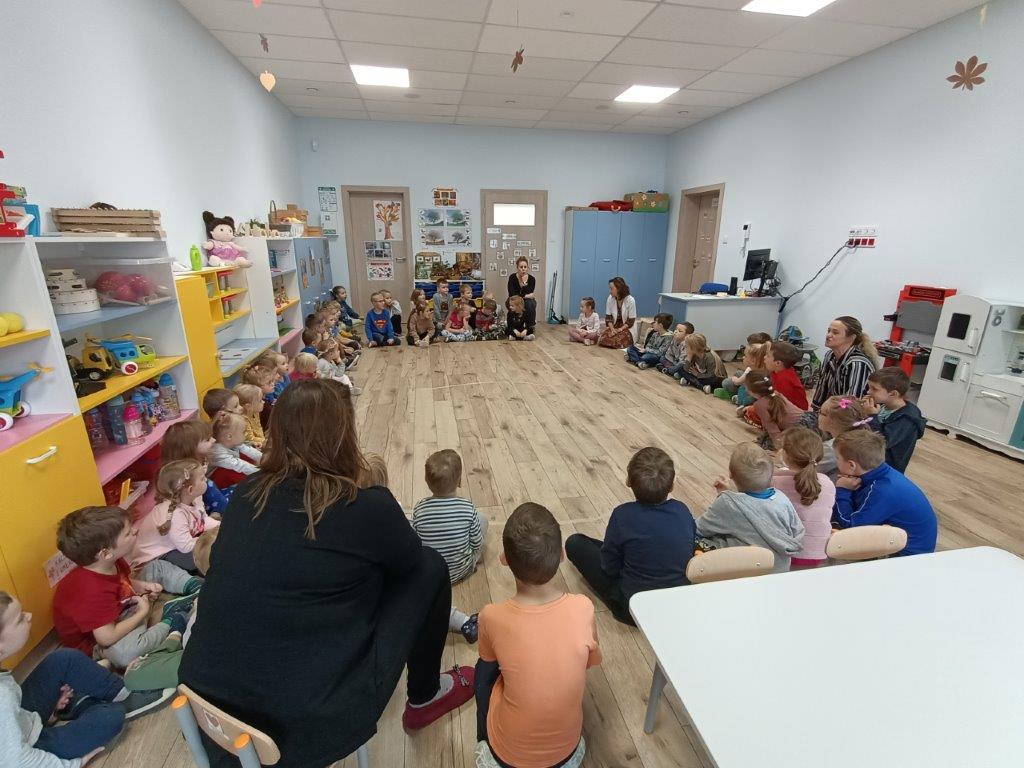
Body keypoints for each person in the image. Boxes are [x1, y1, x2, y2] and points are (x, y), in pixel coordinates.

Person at [179, 380, 475, 768]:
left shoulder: (248, 493)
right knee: (430, 566)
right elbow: (408, 562)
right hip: (304, 733)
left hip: (206, 711)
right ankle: (425, 695)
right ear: (344, 436)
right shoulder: (366, 505)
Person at [475, 503, 601, 768]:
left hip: (506, 758)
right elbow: (589, 663)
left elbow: (488, 666)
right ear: (563, 555)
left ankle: (483, 741)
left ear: (504, 559)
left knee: (484, 669)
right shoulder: (583, 607)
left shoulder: (491, 616)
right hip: (568, 755)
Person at [1, 592, 172, 767]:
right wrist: (72, 764)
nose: (29, 616)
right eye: (19, 619)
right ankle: (82, 704)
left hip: (18, 726)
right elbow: (16, 760)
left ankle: (119, 694)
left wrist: (48, 705)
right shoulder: (3, 696)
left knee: (62, 659)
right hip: (26, 751)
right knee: (110, 717)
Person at [53, 506, 197, 668]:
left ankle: (194, 585)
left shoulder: (109, 562)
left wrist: (143, 586)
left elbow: (121, 582)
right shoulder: (92, 592)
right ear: (105, 553)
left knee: (156, 567)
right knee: (124, 655)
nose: (134, 531)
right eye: (128, 533)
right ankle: (171, 618)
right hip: (100, 640)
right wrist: (142, 611)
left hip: (119, 607)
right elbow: (106, 638)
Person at [565, 447, 696, 626]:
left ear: (628, 481)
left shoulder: (622, 515)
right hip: (675, 605)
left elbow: (609, 567)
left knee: (575, 543)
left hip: (633, 609)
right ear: (672, 485)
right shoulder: (682, 510)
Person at [122, 527, 219, 693]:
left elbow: (191, 643)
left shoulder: (206, 605)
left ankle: (173, 631)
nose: (134, 530)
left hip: (206, 660)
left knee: (133, 675)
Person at [411, 450, 487, 643]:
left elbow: (416, 543)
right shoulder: (467, 507)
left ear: (427, 482)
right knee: (482, 520)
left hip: (432, 574)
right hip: (462, 569)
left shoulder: (419, 508)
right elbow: (477, 543)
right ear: (460, 481)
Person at [697, 443, 805, 573]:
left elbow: (700, 528)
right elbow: (797, 529)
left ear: (730, 474)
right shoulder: (782, 498)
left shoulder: (728, 503)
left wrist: (725, 497)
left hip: (743, 573)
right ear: (771, 476)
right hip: (779, 572)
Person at [832, 430, 938, 556]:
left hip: (905, 556)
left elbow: (851, 528)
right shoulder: (880, 473)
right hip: (903, 544)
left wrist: (843, 490)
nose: (836, 461)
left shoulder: (881, 490)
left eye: (837, 458)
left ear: (851, 465)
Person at [134, 459, 221, 575]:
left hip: (179, 544)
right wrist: (209, 539)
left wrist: (222, 527)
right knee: (206, 556)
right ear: (190, 489)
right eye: (202, 478)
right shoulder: (176, 514)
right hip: (158, 556)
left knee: (212, 546)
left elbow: (203, 521)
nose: (206, 480)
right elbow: (186, 546)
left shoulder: (195, 498)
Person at [773, 427, 835, 568]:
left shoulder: (775, 482)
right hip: (819, 553)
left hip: (785, 554)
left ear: (785, 455)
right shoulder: (827, 483)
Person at [160, 420, 233, 515]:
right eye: (207, 439)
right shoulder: (184, 473)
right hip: (201, 501)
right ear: (190, 447)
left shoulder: (200, 458)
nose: (213, 440)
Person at [864, 368, 926, 473]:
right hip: (870, 460)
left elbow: (883, 441)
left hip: (885, 469)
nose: (868, 392)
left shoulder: (906, 419)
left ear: (893, 394)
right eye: (869, 387)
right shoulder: (882, 406)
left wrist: (872, 416)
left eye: (874, 389)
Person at [811, 316, 880, 410]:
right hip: (832, 412)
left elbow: (851, 402)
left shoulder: (857, 363)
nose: (828, 335)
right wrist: (816, 412)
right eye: (828, 331)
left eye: (835, 332)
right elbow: (822, 388)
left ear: (851, 338)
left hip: (851, 415)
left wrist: (826, 415)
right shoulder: (830, 355)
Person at [744, 370, 819, 451]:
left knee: (765, 444)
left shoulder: (759, 405)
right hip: (811, 421)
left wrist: (779, 450)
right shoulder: (775, 394)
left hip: (799, 431)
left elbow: (773, 431)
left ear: (750, 391)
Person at [816, 395, 873, 482]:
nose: (818, 414)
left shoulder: (833, 447)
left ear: (834, 421)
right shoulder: (859, 438)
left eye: (821, 412)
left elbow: (807, 469)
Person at [208, 412, 262, 489]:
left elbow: (249, 451)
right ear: (229, 436)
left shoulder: (234, 442)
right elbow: (239, 466)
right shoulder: (218, 452)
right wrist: (260, 473)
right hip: (215, 480)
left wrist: (264, 459)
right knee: (234, 470)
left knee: (246, 458)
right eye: (243, 432)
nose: (246, 434)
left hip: (228, 469)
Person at [764, 340, 809, 410]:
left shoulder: (783, 379)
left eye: (768, 356)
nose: (764, 357)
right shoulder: (778, 371)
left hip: (795, 412)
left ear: (778, 363)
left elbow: (781, 405)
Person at [597, 277, 636, 349]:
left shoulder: (630, 300)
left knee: (618, 340)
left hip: (626, 327)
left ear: (619, 289)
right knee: (602, 339)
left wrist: (620, 329)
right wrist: (612, 329)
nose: (610, 291)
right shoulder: (610, 298)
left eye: (611, 289)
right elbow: (608, 318)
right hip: (614, 326)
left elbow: (631, 321)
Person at [506, 257, 537, 337]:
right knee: (513, 302)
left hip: (526, 301)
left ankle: (529, 327)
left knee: (530, 303)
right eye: (521, 267)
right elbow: (512, 294)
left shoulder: (532, 279)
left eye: (525, 267)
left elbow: (530, 293)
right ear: (517, 267)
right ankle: (513, 327)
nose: (523, 269)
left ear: (527, 268)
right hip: (513, 299)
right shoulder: (512, 277)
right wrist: (526, 295)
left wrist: (524, 283)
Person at [231, 383, 265, 449]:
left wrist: (263, 439)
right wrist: (266, 441)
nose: (263, 402)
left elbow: (259, 428)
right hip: (253, 447)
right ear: (248, 406)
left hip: (260, 442)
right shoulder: (243, 421)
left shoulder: (255, 412)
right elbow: (250, 439)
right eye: (260, 400)